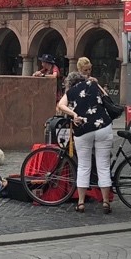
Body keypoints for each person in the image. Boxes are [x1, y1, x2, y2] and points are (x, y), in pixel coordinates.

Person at [55, 58, 114, 214]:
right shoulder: (94, 84)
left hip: (82, 128)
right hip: (103, 127)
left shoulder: (72, 91)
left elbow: (60, 105)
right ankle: (106, 202)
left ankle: (81, 203)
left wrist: (74, 114)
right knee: (103, 166)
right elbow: (107, 97)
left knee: (83, 166)